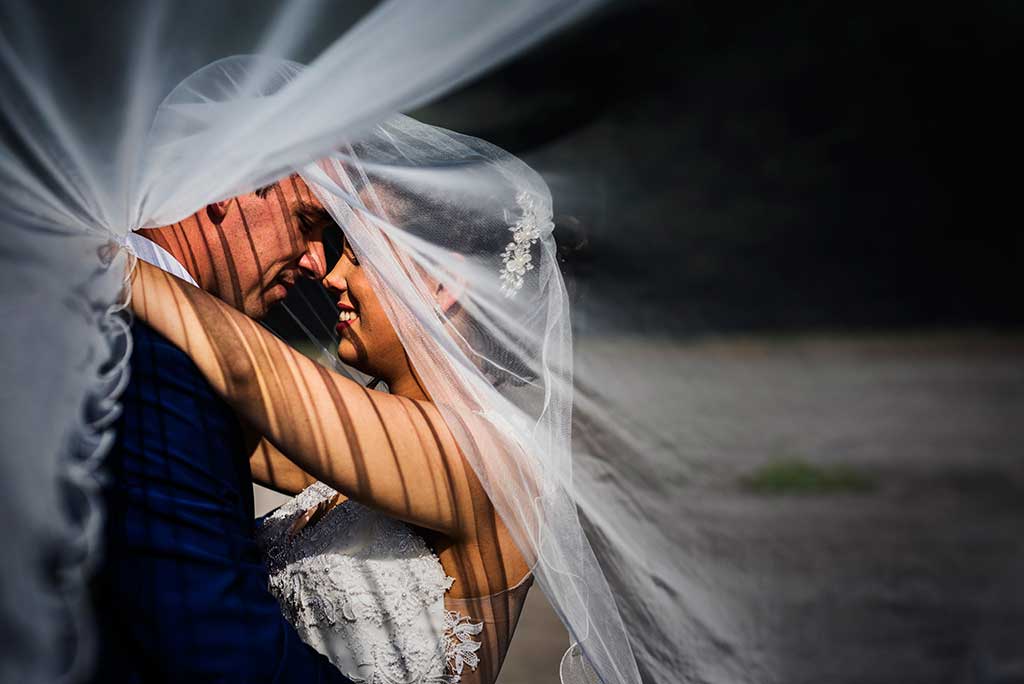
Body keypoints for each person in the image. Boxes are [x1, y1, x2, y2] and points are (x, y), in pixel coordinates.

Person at [125, 116, 572, 684]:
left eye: (359, 256)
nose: (329, 274)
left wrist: (103, 252)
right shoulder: (365, 450)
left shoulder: (484, 457)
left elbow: (248, 373)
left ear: (440, 283)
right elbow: (231, 420)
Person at [91, 177, 357, 682]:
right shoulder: (155, 363)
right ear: (227, 188)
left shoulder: (127, 314)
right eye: (306, 222)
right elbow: (217, 649)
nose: (318, 265)